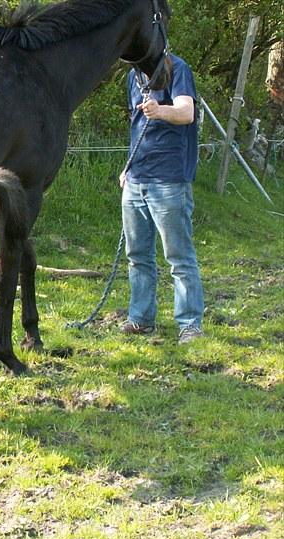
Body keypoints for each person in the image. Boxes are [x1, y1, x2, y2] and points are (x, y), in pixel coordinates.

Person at [118, 54, 204, 344]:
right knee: (137, 256)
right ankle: (141, 319)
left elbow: (186, 111)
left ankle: (190, 324)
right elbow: (138, 128)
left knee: (179, 257)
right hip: (137, 178)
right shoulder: (134, 76)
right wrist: (127, 167)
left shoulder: (177, 68)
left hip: (169, 179)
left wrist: (160, 109)